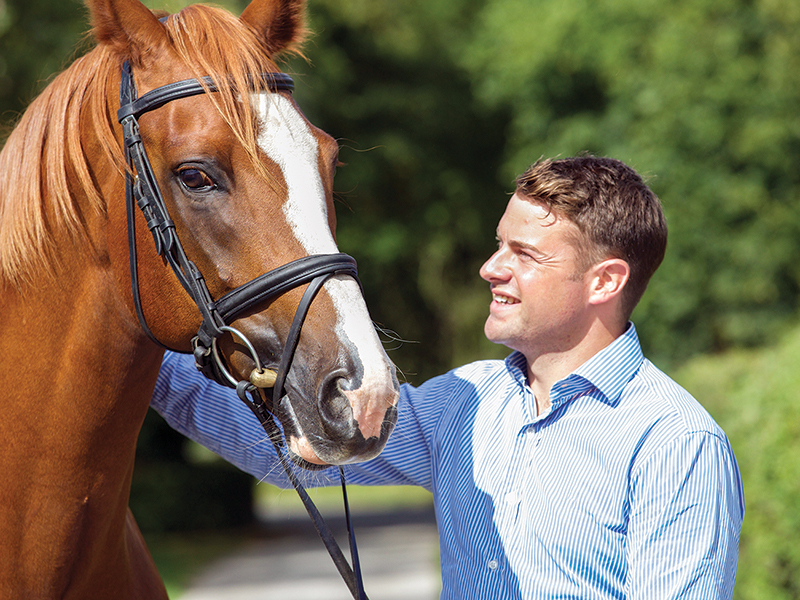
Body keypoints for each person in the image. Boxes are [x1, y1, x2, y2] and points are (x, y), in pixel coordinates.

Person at [152, 156, 744, 599]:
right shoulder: (468, 402)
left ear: (604, 282)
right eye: (497, 245)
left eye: (525, 254)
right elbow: (289, 446)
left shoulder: (676, 443)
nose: (491, 268)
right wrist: (142, 356)